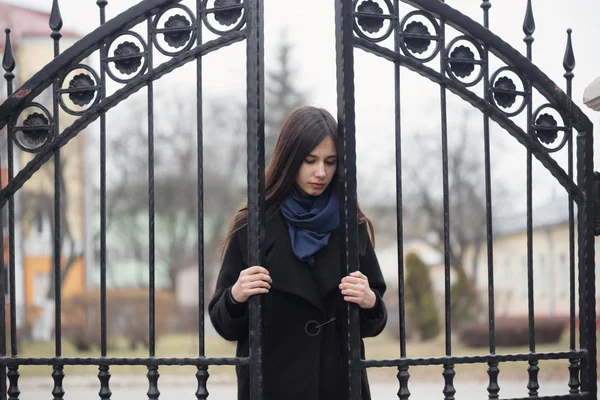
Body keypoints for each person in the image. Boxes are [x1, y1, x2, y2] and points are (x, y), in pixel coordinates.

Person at [209, 106, 387, 400]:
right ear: (290, 159)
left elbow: (373, 322)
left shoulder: (351, 225)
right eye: (310, 160)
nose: (321, 172)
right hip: (271, 386)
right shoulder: (251, 224)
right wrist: (236, 295)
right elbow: (222, 322)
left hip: (338, 386)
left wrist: (370, 302)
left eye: (330, 162)